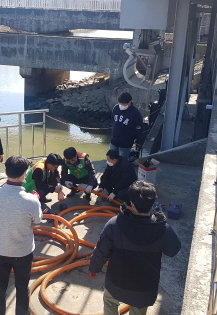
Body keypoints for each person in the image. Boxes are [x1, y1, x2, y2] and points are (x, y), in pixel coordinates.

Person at [89, 181, 181, 315]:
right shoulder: (163, 229)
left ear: (132, 204)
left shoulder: (114, 224)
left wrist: (94, 268)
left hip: (116, 283)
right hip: (145, 289)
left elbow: (101, 252)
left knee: (110, 303)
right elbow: (173, 250)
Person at [0, 155, 43, 315]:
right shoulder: (31, 200)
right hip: (22, 252)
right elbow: (37, 220)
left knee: (0, 286)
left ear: (5, 171)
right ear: (25, 173)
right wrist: (36, 200)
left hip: (0, 249)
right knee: (22, 287)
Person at [110, 92, 143, 160]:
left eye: (123, 104)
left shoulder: (136, 114)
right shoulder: (116, 108)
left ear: (129, 102)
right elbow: (113, 120)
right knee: (112, 158)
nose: (121, 105)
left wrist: (137, 141)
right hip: (114, 140)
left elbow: (138, 130)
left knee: (122, 161)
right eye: (120, 103)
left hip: (125, 143)